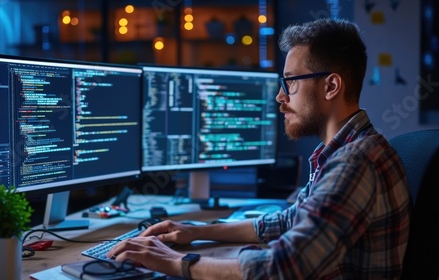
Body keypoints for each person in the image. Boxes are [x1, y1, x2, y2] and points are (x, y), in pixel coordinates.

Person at [107, 18, 411, 279]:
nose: (280, 97)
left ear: (331, 86)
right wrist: (197, 231)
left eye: (290, 82)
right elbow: (289, 219)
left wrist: (172, 261)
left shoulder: (354, 162)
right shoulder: (347, 149)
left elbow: (283, 267)